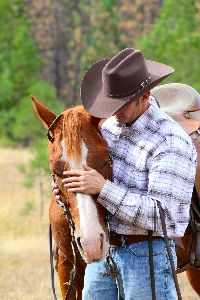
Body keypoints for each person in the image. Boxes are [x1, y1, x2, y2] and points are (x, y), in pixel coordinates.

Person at [53, 48, 197, 299]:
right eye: (111, 102)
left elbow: (161, 215)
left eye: (122, 102)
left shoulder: (170, 142)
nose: (114, 110)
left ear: (146, 95)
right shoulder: (108, 128)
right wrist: (70, 191)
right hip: (104, 254)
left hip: (146, 255)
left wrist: (102, 188)